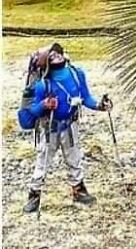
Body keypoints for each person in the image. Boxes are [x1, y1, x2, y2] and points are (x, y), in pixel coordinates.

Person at [22, 42, 113, 213]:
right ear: (47, 63)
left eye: (57, 53)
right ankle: (34, 195)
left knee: (74, 158)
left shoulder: (77, 74)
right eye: (51, 56)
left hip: (71, 125)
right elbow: (33, 110)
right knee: (43, 162)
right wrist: (44, 105)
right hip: (50, 129)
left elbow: (86, 98)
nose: (56, 55)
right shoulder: (43, 85)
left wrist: (100, 105)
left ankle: (78, 190)